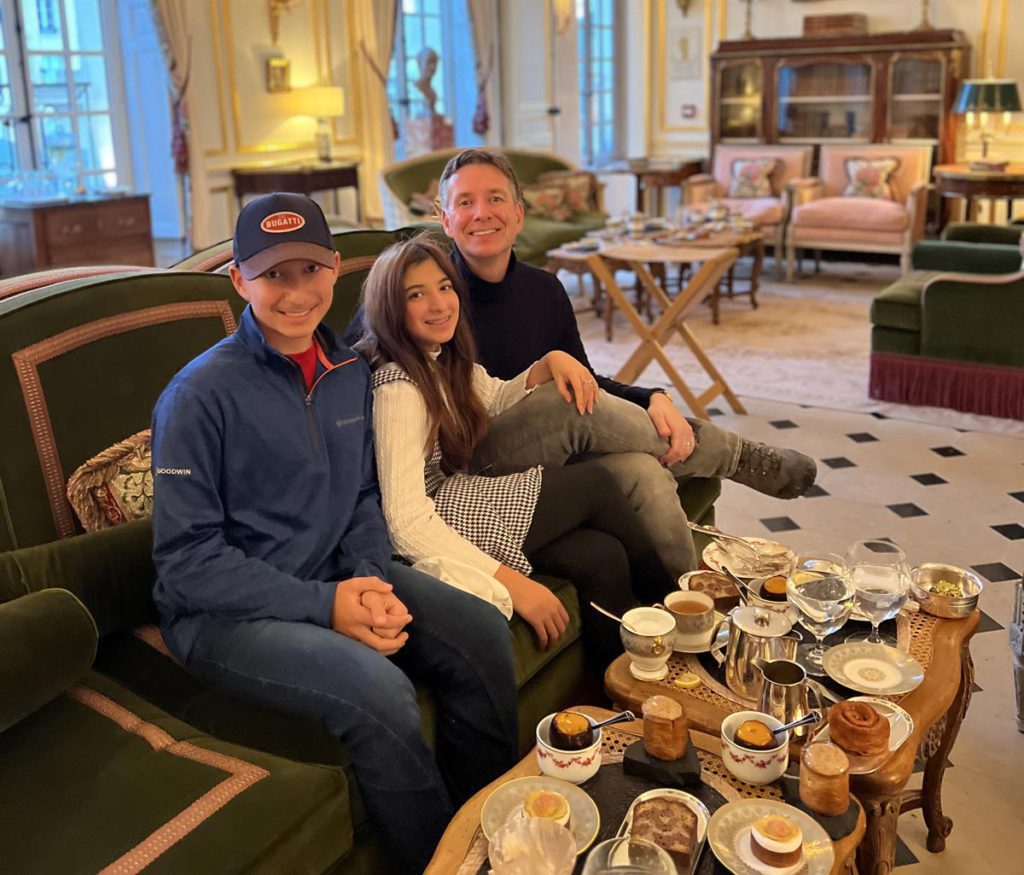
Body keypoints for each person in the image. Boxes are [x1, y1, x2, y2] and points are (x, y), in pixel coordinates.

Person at [150, 192, 518, 872]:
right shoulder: (196, 396)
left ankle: (489, 824)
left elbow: (360, 496)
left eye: (310, 270)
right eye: (272, 275)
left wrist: (369, 577)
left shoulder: (351, 370)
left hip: (333, 572)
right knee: (379, 691)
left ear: (336, 269)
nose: (296, 292)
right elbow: (187, 565)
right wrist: (327, 605)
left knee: (482, 632)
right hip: (222, 618)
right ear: (239, 280)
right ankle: (441, 862)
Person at [433, 148, 817, 576]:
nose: (482, 212)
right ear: (446, 220)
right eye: (465, 202)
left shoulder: (543, 289)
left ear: (519, 214)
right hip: (471, 464)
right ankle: (734, 456)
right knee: (562, 404)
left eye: (495, 198)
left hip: (550, 451)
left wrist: (652, 396)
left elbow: (585, 381)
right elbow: (372, 350)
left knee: (643, 473)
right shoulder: (432, 297)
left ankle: (682, 603)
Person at [358, 235, 679, 664]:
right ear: (390, 309)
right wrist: (511, 582)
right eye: (416, 295)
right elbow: (402, 522)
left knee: (600, 557)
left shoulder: (441, 360)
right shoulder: (399, 387)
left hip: (454, 498)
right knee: (596, 483)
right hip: (433, 518)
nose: (438, 304)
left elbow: (498, 396)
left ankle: (619, 687)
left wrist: (548, 362)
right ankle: (681, 614)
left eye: (444, 287)